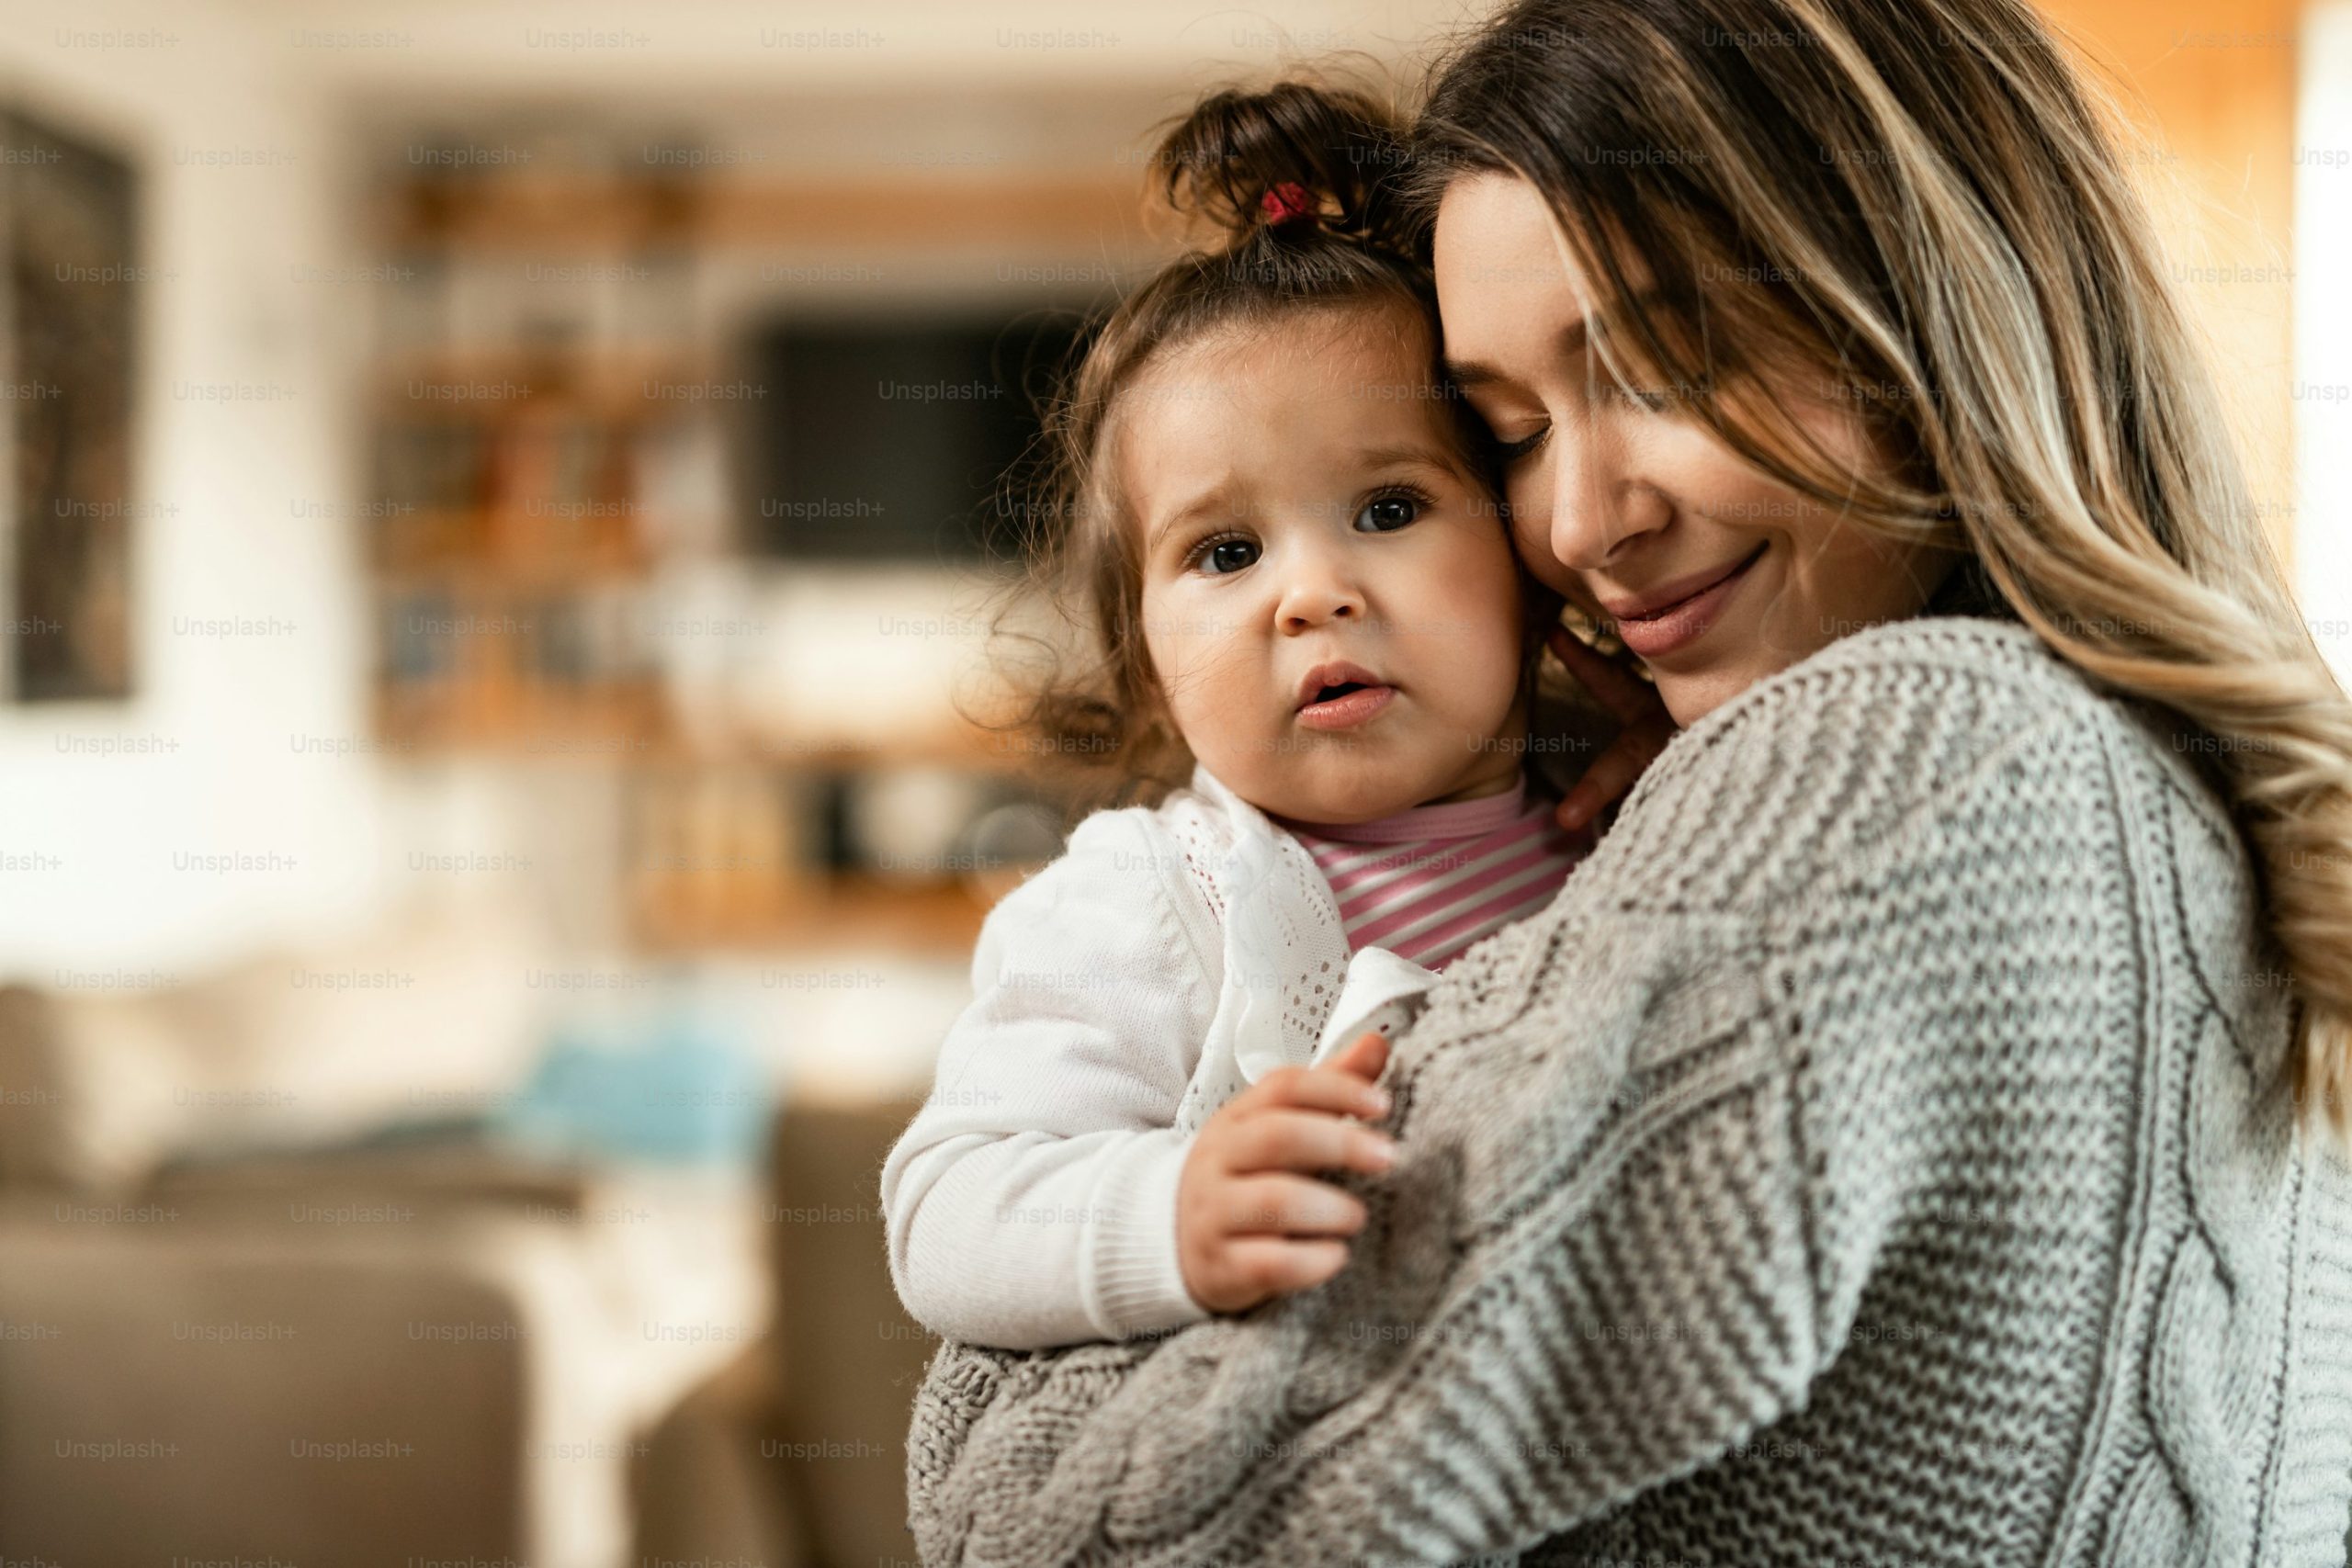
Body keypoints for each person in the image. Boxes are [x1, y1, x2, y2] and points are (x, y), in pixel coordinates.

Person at [900, 1, 2352, 1563]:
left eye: (1663, 368)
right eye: (1514, 432)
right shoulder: (2159, 788)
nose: (1583, 526)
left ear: (1934, 304)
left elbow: (1023, 1509)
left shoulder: (1915, 765)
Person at [879, 84, 1599, 1354]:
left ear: (1527, 564)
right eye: (1224, 551)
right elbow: (945, 1211)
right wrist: (1170, 1216)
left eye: (1389, 509)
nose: (1311, 594)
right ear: (1151, 663)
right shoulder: (1152, 905)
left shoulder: (1633, 813)